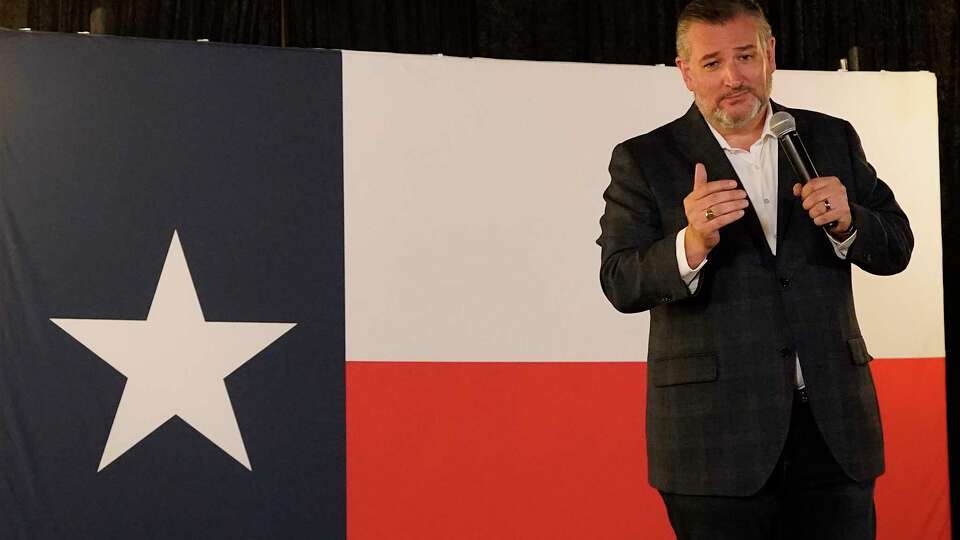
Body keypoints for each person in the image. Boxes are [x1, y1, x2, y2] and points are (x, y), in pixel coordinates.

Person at [596, 1, 913, 538]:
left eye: (745, 55)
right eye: (713, 62)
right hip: (713, 442)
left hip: (834, 432)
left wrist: (849, 222)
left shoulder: (831, 137)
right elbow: (620, 281)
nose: (733, 76)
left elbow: (897, 245)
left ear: (770, 55)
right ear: (686, 72)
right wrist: (690, 243)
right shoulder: (645, 158)